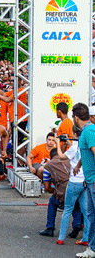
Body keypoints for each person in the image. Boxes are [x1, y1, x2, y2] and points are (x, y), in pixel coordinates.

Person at [55, 126, 91, 245]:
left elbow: (61, 156)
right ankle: (86, 238)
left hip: (74, 181)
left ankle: (61, 238)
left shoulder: (73, 148)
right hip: (84, 181)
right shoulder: (85, 146)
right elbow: (76, 150)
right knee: (86, 211)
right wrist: (69, 142)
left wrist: (57, 143)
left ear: (73, 133)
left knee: (67, 210)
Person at [71, 103, 95, 258]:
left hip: (93, 180)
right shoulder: (87, 131)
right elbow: (87, 152)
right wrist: (79, 165)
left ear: (76, 117)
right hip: (90, 179)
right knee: (91, 215)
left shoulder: (89, 131)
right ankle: (92, 249)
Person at [39, 148, 79, 238]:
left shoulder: (48, 166)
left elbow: (47, 187)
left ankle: (50, 228)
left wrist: (56, 190)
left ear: (50, 156)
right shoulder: (70, 161)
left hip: (61, 193)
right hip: (76, 188)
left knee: (52, 202)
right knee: (76, 205)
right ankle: (77, 225)